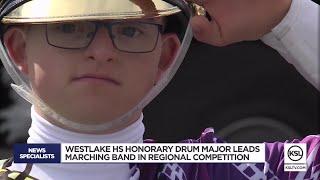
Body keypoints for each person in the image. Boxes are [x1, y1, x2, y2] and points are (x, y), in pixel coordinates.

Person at [0, 0, 319, 179]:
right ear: (18, 50)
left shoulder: (221, 171)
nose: (101, 51)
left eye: (128, 29)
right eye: (69, 28)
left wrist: (287, 16)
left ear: (165, 57)